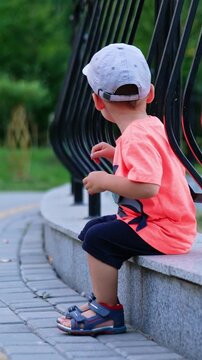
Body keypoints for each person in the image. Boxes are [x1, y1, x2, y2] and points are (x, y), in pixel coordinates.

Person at [57, 43, 197, 335]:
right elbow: (155, 162)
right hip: (168, 224)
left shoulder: (135, 138)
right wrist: (114, 153)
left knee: (98, 238)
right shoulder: (152, 126)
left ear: (98, 102)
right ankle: (100, 299)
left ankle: (107, 311)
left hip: (163, 230)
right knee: (94, 228)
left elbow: (147, 185)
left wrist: (105, 180)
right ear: (151, 93)